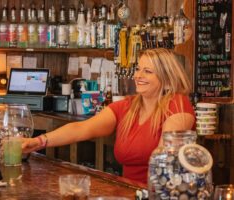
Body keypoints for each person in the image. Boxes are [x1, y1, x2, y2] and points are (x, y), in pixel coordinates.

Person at [22, 48, 196, 185]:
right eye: (137, 69)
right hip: (129, 190)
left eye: (148, 71)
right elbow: (82, 128)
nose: (138, 75)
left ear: (166, 79)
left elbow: (164, 158)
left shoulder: (178, 105)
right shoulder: (128, 106)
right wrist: (37, 142)